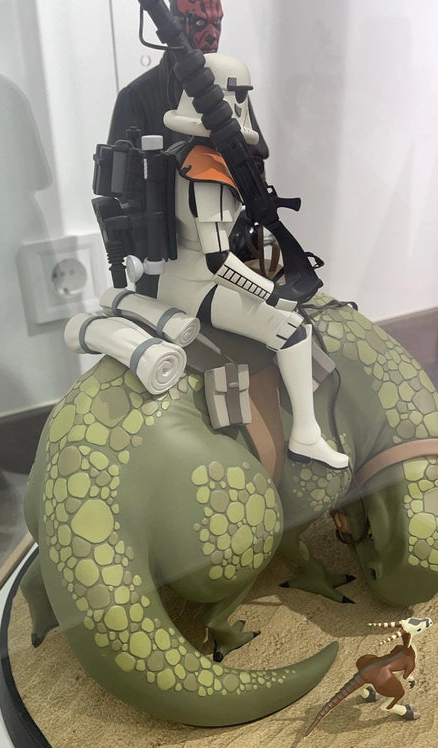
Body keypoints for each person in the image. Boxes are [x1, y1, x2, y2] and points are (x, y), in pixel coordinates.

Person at [157, 53, 348, 470]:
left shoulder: (191, 155)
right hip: (197, 288)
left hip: (186, 276)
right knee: (292, 329)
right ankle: (306, 434)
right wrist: (271, 293)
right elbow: (217, 261)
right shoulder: (205, 173)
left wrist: (274, 265)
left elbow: (234, 234)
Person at [107, 0, 268, 167]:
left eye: (217, 22)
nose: (212, 35)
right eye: (200, 23)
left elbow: (255, 160)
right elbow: (120, 174)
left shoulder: (232, 88)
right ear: (176, 24)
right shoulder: (136, 97)